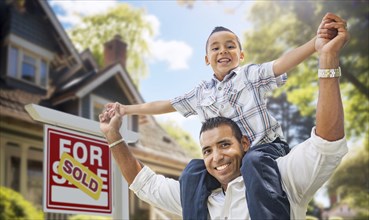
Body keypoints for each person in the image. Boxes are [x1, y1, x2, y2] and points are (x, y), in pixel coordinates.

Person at [100, 12, 349, 220]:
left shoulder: (249, 75)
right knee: (192, 171)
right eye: (215, 48)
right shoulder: (200, 93)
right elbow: (164, 105)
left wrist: (317, 47)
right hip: (243, 160)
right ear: (207, 59)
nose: (223, 51)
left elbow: (282, 63)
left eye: (231, 46)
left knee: (252, 161)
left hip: (266, 152)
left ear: (241, 55)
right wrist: (126, 109)